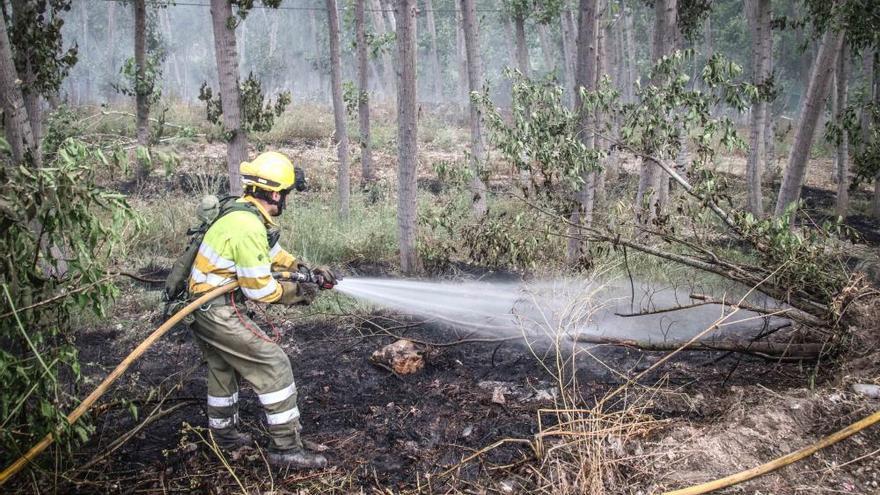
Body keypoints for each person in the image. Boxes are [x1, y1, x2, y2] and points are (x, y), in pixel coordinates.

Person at [187, 151, 335, 469]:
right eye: (286, 194)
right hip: (219, 310)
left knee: (222, 368)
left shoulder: (243, 214)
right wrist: (299, 292)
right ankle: (286, 449)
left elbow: (271, 251)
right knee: (274, 364)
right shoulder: (247, 226)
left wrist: (300, 266)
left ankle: (224, 437)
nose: (286, 200)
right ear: (273, 193)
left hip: (201, 309)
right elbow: (260, 289)